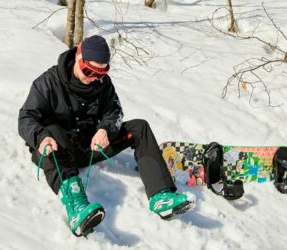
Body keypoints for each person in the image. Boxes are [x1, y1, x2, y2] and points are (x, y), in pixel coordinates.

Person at [18, 35, 192, 237]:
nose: (93, 77)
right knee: (54, 131)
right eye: (88, 71)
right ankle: (76, 209)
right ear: (78, 59)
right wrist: (40, 137)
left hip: (91, 147)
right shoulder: (47, 83)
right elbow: (26, 117)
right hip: (56, 151)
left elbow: (115, 112)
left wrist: (105, 130)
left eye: (101, 73)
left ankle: (161, 196)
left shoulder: (103, 84)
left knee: (139, 127)